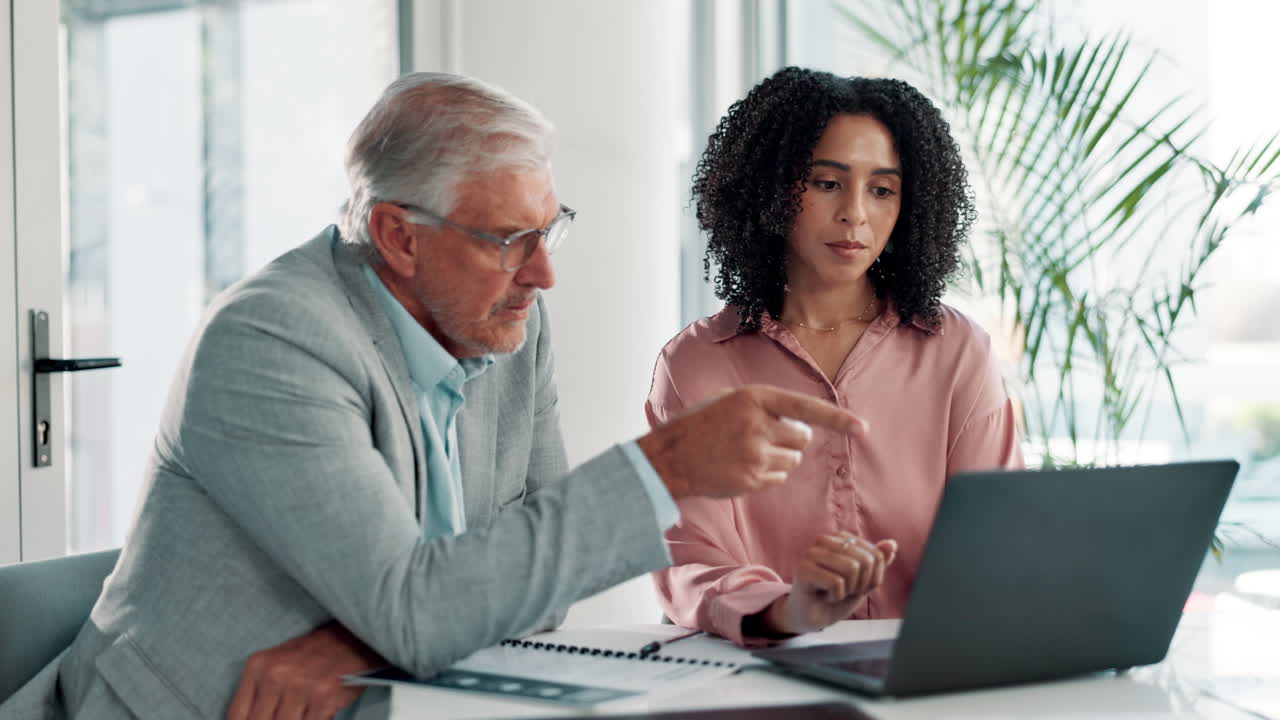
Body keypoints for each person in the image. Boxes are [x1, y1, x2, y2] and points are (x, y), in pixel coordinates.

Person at [0, 73, 865, 720]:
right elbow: (428, 606)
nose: (544, 271)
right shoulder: (272, 341)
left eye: (551, 226)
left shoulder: (507, 318)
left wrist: (352, 641)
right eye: (510, 239)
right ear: (398, 236)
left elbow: (538, 581)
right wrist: (663, 467)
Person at [648, 68, 1024, 647]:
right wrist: (787, 608)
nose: (855, 213)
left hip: (931, 681)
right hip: (763, 688)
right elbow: (687, 559)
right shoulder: (697, 365)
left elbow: (998, 539)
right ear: (771, 188)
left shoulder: (956, 353)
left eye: (882, 189)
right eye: (827, 183)